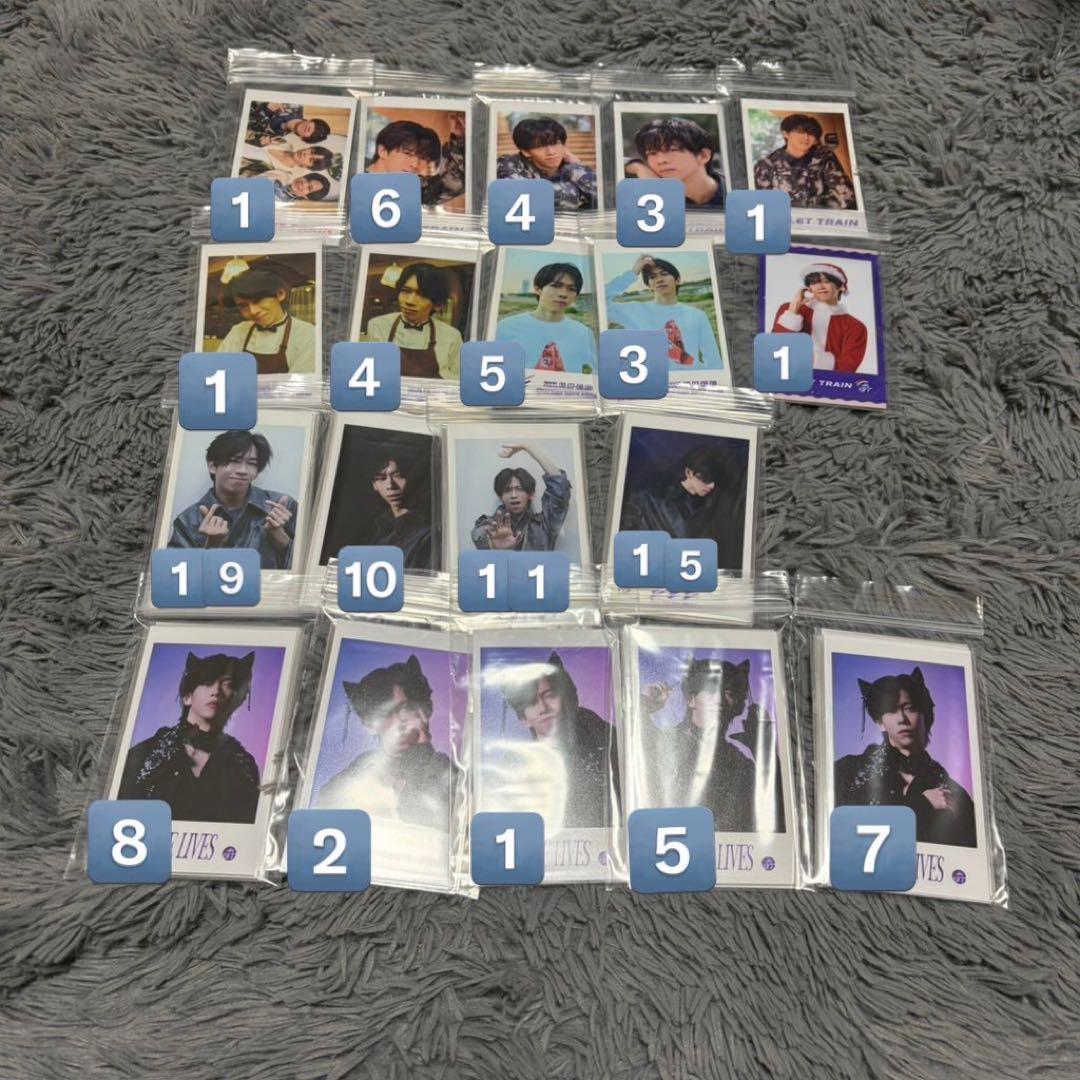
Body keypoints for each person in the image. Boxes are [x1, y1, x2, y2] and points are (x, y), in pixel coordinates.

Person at [834, 667, 978, 847]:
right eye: (890, 710)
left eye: (909, 708)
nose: (902, 718)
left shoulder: (954, 794)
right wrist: (923, 804)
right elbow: (843, 834)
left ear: (925, 715)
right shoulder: (848, 771)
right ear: (880, 722)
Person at [643, 657, 783, 832]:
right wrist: (645, 703)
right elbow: (630, 750)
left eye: (729, 693)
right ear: (691, 699)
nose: (720, 700)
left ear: (738, 704)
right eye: (710, 691)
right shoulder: (664, 743)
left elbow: (775, 817)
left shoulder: (741, 764)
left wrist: (763, 750)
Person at [119, 652, 260, 824]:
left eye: (227, 684)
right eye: (207, 683)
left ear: (237, 700)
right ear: (187, 696)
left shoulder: (243, 765)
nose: (216, 691)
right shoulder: (146, 754)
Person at [315, 655, 450, 829]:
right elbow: (324, 808)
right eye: (386, 714)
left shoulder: (445, 772)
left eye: (406, 709)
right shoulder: (363, 766)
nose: (400, 721)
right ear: (370, 725)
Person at [498, 652, 613, 828]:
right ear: (523, 719)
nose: (543, 708)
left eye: (549, 695)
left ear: (569, 698)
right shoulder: (514, 769)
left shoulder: (604, 741)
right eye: (531, 702)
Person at [169, 430, 297, 570]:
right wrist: (212, 547)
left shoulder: (282, 508)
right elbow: (178, 578)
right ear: (212, 466)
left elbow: (309, 570)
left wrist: (281, 539)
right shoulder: (188, 521)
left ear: (257, 472)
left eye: (251, 463)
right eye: (234, 461)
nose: (243, 470)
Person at [621, 442, 745, 571]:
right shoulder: (651, 497)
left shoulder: (713, 504)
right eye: (706, 479)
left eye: (714, 480)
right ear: (689, 473)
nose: (711, 485)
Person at [604, 255, 723, 369]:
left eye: (664, 274)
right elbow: (600, 300)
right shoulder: (634, 311)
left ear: (677, 280)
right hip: (651, 379)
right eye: (652, 277)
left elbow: (714, 361)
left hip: (688, 380)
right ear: (649, 286)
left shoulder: (697, 315)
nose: (659, 279)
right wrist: (633, 273)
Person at [362, 263, 463, 379]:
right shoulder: (378, 326)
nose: (410, 301)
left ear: (437, 304)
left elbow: (457, 382)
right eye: (406, 291)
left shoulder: (452, 336)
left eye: (422, 295)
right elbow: (370, 372)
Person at [213, 264, 317, 375]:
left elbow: (297, 383)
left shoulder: (307, 334)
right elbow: (220, 371)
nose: (253, 311)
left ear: (280, 294)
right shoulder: (238, 331)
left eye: (258, 300)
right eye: (243, 306)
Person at [494, 262, 597, 373]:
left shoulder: (584, 334)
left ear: (576, 296)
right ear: (538, 288)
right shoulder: (506, 327)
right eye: (556, 286)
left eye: (571, 289)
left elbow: (593, 375)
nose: (563, 294)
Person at [471, 444, 571, 553]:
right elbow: (478, 535)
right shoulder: (488, 525)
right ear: (501, 496)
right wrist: (495, 548)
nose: (514, 495)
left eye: (519, 489)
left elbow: (559, 487)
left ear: (531, 494)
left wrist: (528, 446)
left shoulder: (544, 525)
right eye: (507, 490)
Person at [771, 261, 868, 373]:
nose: (820, 287)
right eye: (814, 283)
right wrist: (793, 309)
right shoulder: (789, 310)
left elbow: (848, 367)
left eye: (826, 281)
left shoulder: (855, 327)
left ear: (841, 286)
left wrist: (809, 360)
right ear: (809, 288)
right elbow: (776, 347)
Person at [753, 113, 856, 210]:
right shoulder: (766, 165)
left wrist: (799, 204)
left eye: (811, 133)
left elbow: (846, 196)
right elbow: (762, 205)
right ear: (785, 133)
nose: (806, 137)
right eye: (800, 131)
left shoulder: (824, 157)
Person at [496, 116, 597, 211]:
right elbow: (522, 197)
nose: (551, 152)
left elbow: (602, 195)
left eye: (555, 143)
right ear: (526, 151)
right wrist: (574, 191)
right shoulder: (508, 163)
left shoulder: (572, 168)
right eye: (540, 146)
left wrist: (578, 167)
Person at [624, 116, 726, 209]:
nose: (661, 160)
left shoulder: (732, 191)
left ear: (703, 156)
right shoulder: (650, 198)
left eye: (672, 150)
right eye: (652, 153)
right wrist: (637, 166)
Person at [367, 117, 466, 207]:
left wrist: (460, 138)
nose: (415, 165)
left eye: (423, 158)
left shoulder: (413, 188)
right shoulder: (357, 174)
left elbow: (455, 183)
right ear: (383, 151)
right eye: (408, 153)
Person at [369, 453, 434, 569]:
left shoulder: (427, 534)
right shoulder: (381, 532)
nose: (390, 485)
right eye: (382, 478)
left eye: (398, 476)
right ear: (374, 485)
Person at [245, 104, 331, 146]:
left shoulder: (277, 136)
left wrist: (261, 142)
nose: (309, 129)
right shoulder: (293, 105)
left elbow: (246, 139)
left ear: (302, 138)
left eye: (312, 134)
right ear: (311, 120)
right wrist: (265, 104)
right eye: (315, 127)